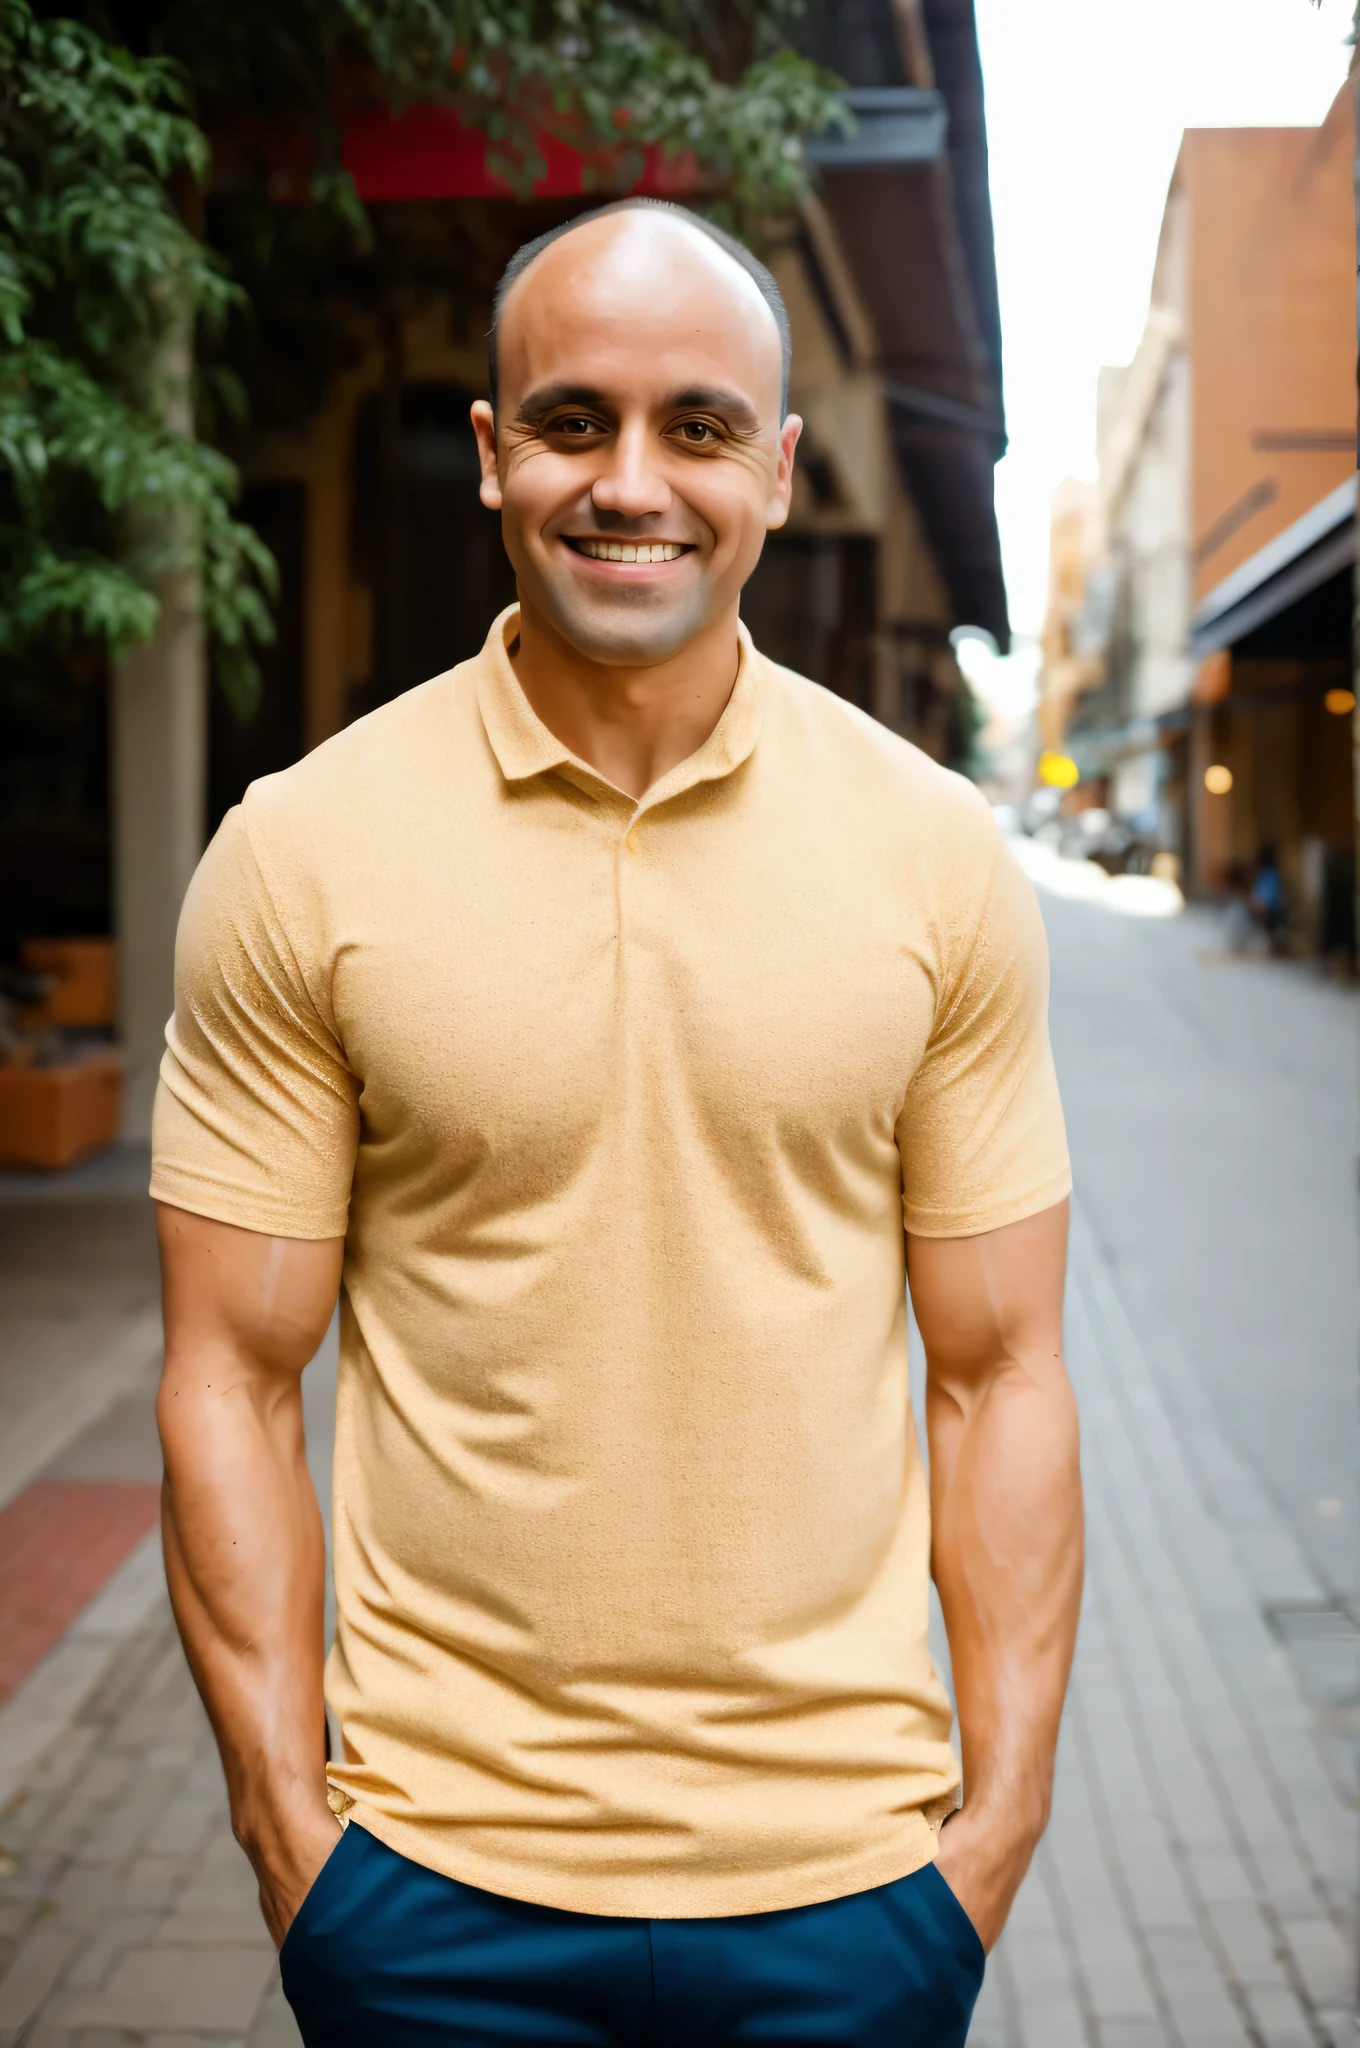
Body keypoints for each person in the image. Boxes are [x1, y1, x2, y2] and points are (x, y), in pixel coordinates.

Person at [152, 199, 1082, 2046]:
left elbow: (1002, 1374)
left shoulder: (935, 862)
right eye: (572, 421)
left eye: (700, 427)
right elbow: (229, 1376)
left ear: (782, 473)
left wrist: (994, 1833)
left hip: (850, 1886)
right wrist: (292, 1837)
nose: (631, 482)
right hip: (431, 1887)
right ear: (494, 458)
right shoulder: (300, 852)